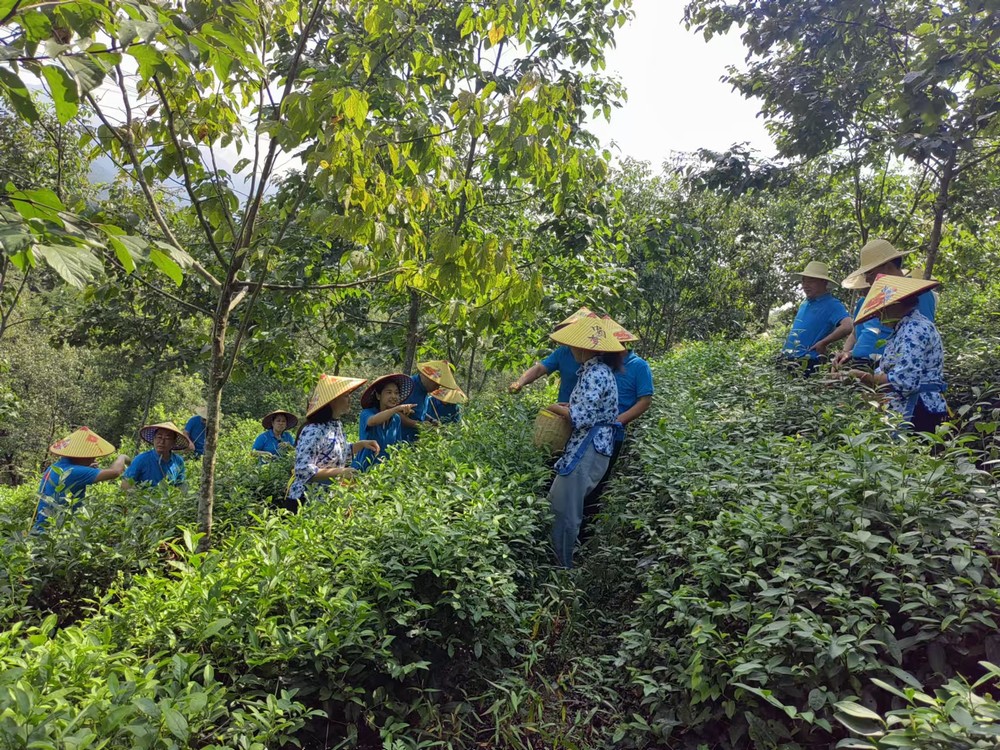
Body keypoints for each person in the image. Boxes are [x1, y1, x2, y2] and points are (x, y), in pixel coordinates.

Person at [544, 315, 624, 569]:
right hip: (591, 445)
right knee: (559, 503)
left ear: (584, 347)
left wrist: (556, 409)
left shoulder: (595, 374)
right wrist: (569, 406)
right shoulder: (596, 371)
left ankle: (562, 568)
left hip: (588, 446)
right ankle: (559, 561)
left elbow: (582, 417)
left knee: (565, 511)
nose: (570, 349)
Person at [841, 274, 947, 432]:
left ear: (896, 305)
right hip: (907, 409)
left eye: (881, 309)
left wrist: (860, 376)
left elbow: (904, 381)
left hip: (919, 412)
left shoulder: (914, 329)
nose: (878, 315)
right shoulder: (904, 327)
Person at [581, 317, 653, 534]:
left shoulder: (638, 366)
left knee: (596, 485)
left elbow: (645, 401)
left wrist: (618, 421)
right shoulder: (599, 365)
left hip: (612, 435)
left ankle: (585, 534)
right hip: (587, 432)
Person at [833, 239, 938, 369]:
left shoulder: (918, 293)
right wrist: (847, 352)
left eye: (869, 273)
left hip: (891, 367)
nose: (866, 279)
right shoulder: (874, 297)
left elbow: (920, 339)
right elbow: (856, 333)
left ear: (887, 267)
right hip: (862, 364)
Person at [286, 374, 380, 507]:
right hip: (304, 501)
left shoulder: (336, 425)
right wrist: (341, 472)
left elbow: (336, 453)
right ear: (333, 400)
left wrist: (361, 445)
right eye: (346, 396)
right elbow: (303, 470)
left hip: (326, 500)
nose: (350, 399)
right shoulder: (314, 430)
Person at [32, 427, 131, 532]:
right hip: (56, 531)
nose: (94, 459)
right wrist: (122, 457)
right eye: (91, 455)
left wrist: (86, 469)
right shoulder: (75, 472)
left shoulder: (55, 467)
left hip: (42, 528)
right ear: (81, 456)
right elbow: (115, 472)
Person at [780, 260, 853, 374]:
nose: (805, 285)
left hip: (807, 361)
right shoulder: (805, 303)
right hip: (786, 357)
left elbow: (848, 325)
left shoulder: (832, 304)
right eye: (803, 281)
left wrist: (823, 342)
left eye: (811, 281)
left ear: (824, 282)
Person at [509, 307, 594, 401]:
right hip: (564, 407)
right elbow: (539, 369)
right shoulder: (563, 352)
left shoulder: (602, 356)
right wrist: (519, 383)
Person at [353, 373, 415, 471]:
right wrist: (396, 409)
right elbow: (372, 421)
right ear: (378, 396)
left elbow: (397, 448)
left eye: (396, 393)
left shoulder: (396, 419)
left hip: (384, 473)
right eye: (389, 392)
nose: (393, 396)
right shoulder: (366, 413)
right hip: (363, 470)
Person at [399, 360, 461, 442]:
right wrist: (418, 424)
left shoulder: (424, 392)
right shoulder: (408, 386)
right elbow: (395, 413)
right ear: (429, 378)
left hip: (413, 439)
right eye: (436, 384)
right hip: (400, 438)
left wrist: (431, 420)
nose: (437, 388)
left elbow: (418, 412)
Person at [122, 422, 190, 489]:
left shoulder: (178, 461)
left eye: (167, 438)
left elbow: (180, 485)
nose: (162, 442)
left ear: (173, 442)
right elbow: (126, 483)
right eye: (159, 437)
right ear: (154, 439)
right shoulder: (141, 459)